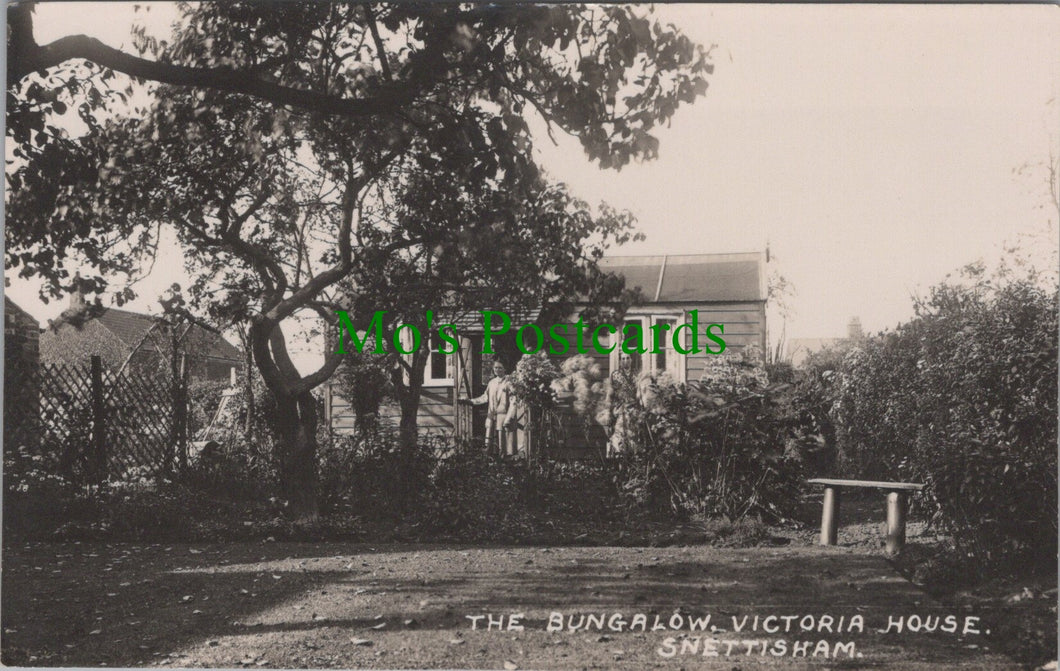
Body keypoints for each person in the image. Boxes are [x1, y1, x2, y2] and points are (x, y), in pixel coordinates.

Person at [468, 359, 518, 456]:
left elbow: (513, 402)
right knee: (490, 447)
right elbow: (485, 397)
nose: (497, 370)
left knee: (503, 447)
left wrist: (509, 418)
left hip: (503, 417)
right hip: (492, 417)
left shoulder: (509, 383)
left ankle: (504, 464)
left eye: (500, 368)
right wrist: (471, 401)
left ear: (505, 369)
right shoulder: (491, 383)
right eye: (495, 368)